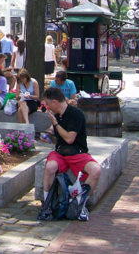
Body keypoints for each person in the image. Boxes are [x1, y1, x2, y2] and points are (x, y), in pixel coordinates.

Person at [41, 87, 101, 221]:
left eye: (47, 103)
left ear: (55, 102)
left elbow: (69, 138)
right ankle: (47, 204)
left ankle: (80, 205)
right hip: (60, 152)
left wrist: (55, 124)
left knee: (95, 170)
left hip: (77, 153)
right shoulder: (56, 115)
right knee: (50, 167)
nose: (46, 106)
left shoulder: (76, 114)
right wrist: (50, 138)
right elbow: (60, 139)